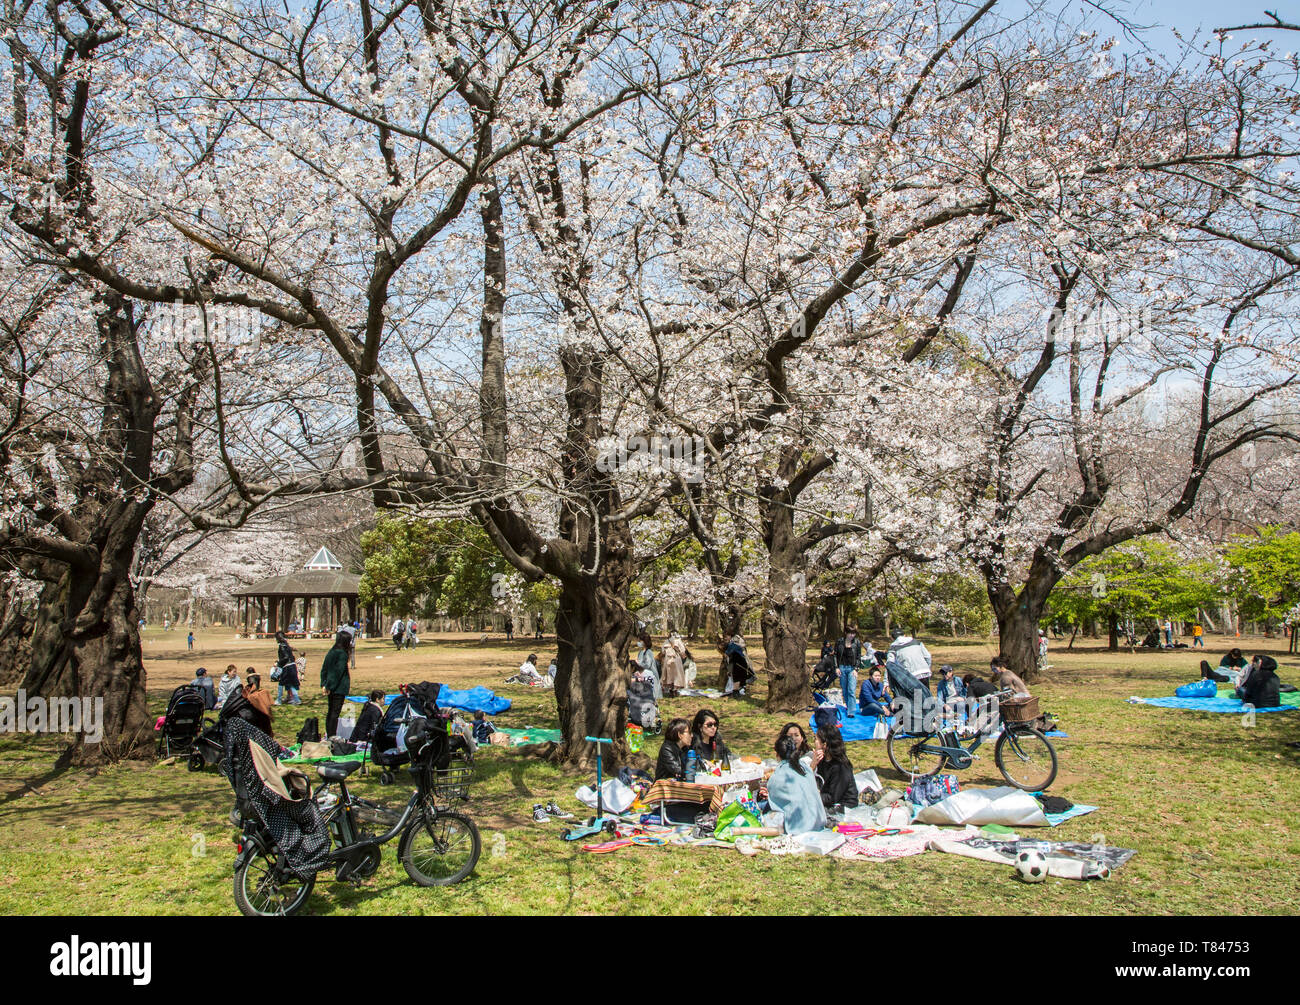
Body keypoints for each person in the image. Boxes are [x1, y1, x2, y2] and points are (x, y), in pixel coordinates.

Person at [763, 732, 826, 834]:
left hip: (799, 825)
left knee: (765, 810)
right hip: (818, 819)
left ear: (777, 754)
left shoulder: (778, 775)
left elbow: (777, 804)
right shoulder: (804, 767)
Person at [812, 723, 858, 809]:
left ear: (824, 745)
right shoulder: (822, 760)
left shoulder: (841, 766)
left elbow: (832, 798)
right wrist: (813, 765)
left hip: (843, 807)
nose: (814, 742)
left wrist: (811, 796)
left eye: (816, 739)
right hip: (825, 800)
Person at [320, 631, 352, 738]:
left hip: (330, 686)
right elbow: (337, 672)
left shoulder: (332, 651)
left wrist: (324, 684)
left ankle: (329, 733)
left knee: (330, 712)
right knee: (334, 713)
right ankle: (332, 735)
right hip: (338, 687)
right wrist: (329, 685)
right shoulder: (342, 654)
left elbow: (324, 668)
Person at [887, 627, 933, 694]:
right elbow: (928, 656)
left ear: (892, 638)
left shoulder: (893, 647)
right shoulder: (916, 642)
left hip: (911, 675)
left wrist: (886, 682)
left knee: (918, 699)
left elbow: (890, 665)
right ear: (904, 635)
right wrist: (927, 667)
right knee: (927, 695)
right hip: (924, 672)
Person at [835, 627, 863, 717]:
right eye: (850, 633)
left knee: (851, 690)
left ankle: (851, 712)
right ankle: (848, 706)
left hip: (852, 668)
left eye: (854, 633)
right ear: (846, 633)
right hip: (842, 668)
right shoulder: (839, 642)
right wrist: (836, 667)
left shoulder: (857, 642)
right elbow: (835, 655)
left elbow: (859, 656)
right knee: (845, 690)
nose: (852, 635)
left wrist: (856, 669)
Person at [661, 631, 688, 698]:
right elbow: (682, 650)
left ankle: (672, 690)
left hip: (672, 659)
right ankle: (673, 690)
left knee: (672, 675)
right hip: (673, 659)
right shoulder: (671, 641)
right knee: (673, 675)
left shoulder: (669, 641)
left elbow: (663, 651)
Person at [636, 633, 662, 700]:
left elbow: (648, 665)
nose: (638, 642)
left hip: (649, 674)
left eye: (640, 641)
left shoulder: (648, 652)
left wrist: (638, 663)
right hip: (642, 673)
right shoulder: (641, 652)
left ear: (644, 641)